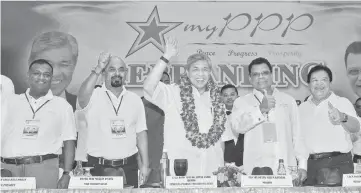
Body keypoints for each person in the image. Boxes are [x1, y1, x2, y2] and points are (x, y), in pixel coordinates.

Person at [144, 37, 228, 176]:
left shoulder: (218, 101)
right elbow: (148, 87)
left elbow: (222, 141)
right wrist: (166, 57)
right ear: (187, 73)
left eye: (205, 69)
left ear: (209, 73)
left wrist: (221, 169)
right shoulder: (173, 93)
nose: (200, 74)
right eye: (195, 69)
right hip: (181, 173)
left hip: (212, 173)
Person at [76, 52, 150, 187]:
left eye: (121, 70)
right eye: (112, 69)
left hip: (129, 168)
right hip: (98, 168)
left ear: (126, 73)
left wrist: (145, 165)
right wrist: (98, 68)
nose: (117, 73)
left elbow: (141, 134)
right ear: (104, 73)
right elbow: (81, 96)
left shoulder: (135, 100)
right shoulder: (93, 96)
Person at [1, 59, 76, 188]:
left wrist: (66, 173)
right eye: (36, 73)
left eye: (46, 75)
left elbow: (69, 141)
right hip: (9, 170)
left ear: (51, 78)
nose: (42, 77)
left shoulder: (62, 106)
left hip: (44, 170)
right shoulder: (9, 102)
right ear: (28, 76)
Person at [229, 57, 306, 181]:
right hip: (256, 170)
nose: (261, 77)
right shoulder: (242, 102)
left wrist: (302, 165)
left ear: (271, 75)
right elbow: (238, 127)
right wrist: (260, 110)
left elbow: (297, 135)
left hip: (285, 168)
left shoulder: (288, 100)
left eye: (265, 73)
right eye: (255, 74)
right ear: (250, 78)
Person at [299, 64, 360, 186]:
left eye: (324, 80)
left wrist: (342, 117)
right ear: (308, 84)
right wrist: (302, 167)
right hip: (310, 166)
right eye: (314, 80)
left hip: (336, 164)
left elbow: (356, 127)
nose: (319, 84)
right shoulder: (302, 108)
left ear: (330, 83)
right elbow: (300, 140)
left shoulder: (342, 102)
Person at [220, 84, 244, 166]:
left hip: (246, 161)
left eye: (232, 94)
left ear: (238, 96)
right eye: (225, 95)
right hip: (225, 163)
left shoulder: (247, 114)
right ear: (221, 98)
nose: (229, 98)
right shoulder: (216, 117)